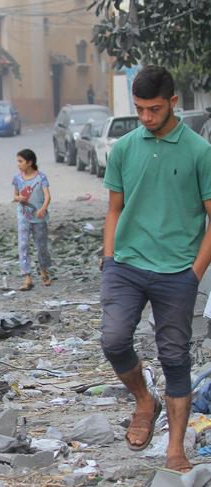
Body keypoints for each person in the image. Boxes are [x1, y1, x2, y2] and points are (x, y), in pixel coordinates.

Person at [100, 65, 211, 473]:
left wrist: (195, 273)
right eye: (140, 109)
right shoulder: (125, 147)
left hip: (177, 271)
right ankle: (144, 400)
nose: (146, 117)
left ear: (173, 103)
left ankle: (175, 449)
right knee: (113, 340)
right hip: (125, 266)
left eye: (154, 109)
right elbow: (113, 209)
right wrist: (109, 259)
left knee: (175, 358)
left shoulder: (200, 152)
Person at [12, 148, 52, 290]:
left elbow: (47, 196)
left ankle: (44, 272)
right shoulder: (17, 178)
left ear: (30, 162)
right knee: (23, 245)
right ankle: (27, 277)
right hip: (23, 216)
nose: (18, 164)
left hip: (39, 217)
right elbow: (15, 196)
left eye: (20, 161)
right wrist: (19, 198)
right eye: (18, 161)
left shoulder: (41, 178)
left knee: (41, 246)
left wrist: (42, 209)